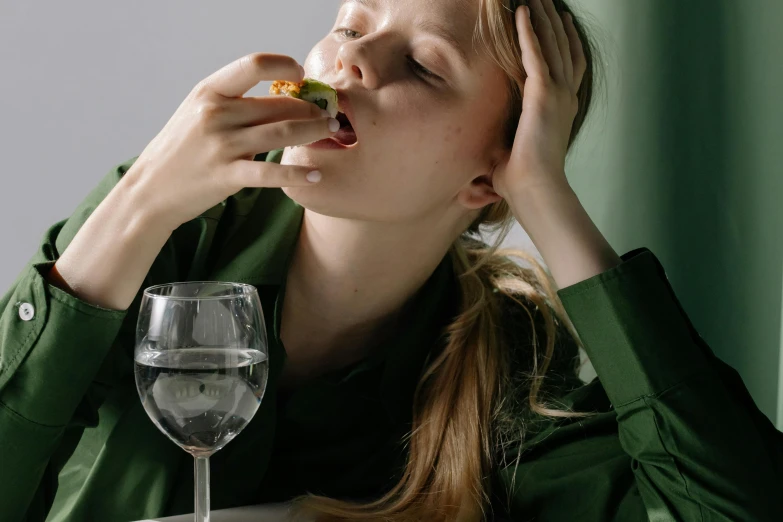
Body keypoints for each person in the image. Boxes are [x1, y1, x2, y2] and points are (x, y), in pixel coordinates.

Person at [0, 0, 781, 520]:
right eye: (351, 23)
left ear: (489, 173)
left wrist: (544, 197)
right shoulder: (162, 237)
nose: (353, 61)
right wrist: (137, 201)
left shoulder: (505, 368)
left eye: (424, 66)